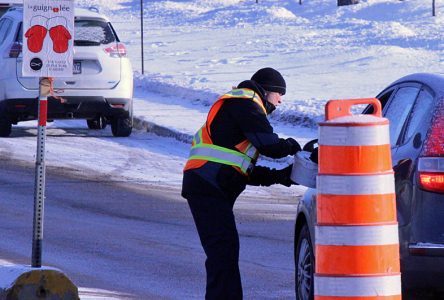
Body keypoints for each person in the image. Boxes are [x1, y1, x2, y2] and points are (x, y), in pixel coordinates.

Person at [181, 67, 301, 299]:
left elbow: (243, 169)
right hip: (207, 185)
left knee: (224, 251)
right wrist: (292, 146)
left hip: (209, 184)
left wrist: (281, 176)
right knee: (222, 251)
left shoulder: (242, 107)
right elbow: (269, 145)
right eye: (279, 95)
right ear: (268, 92)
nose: (281, 102)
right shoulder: (245, 103)